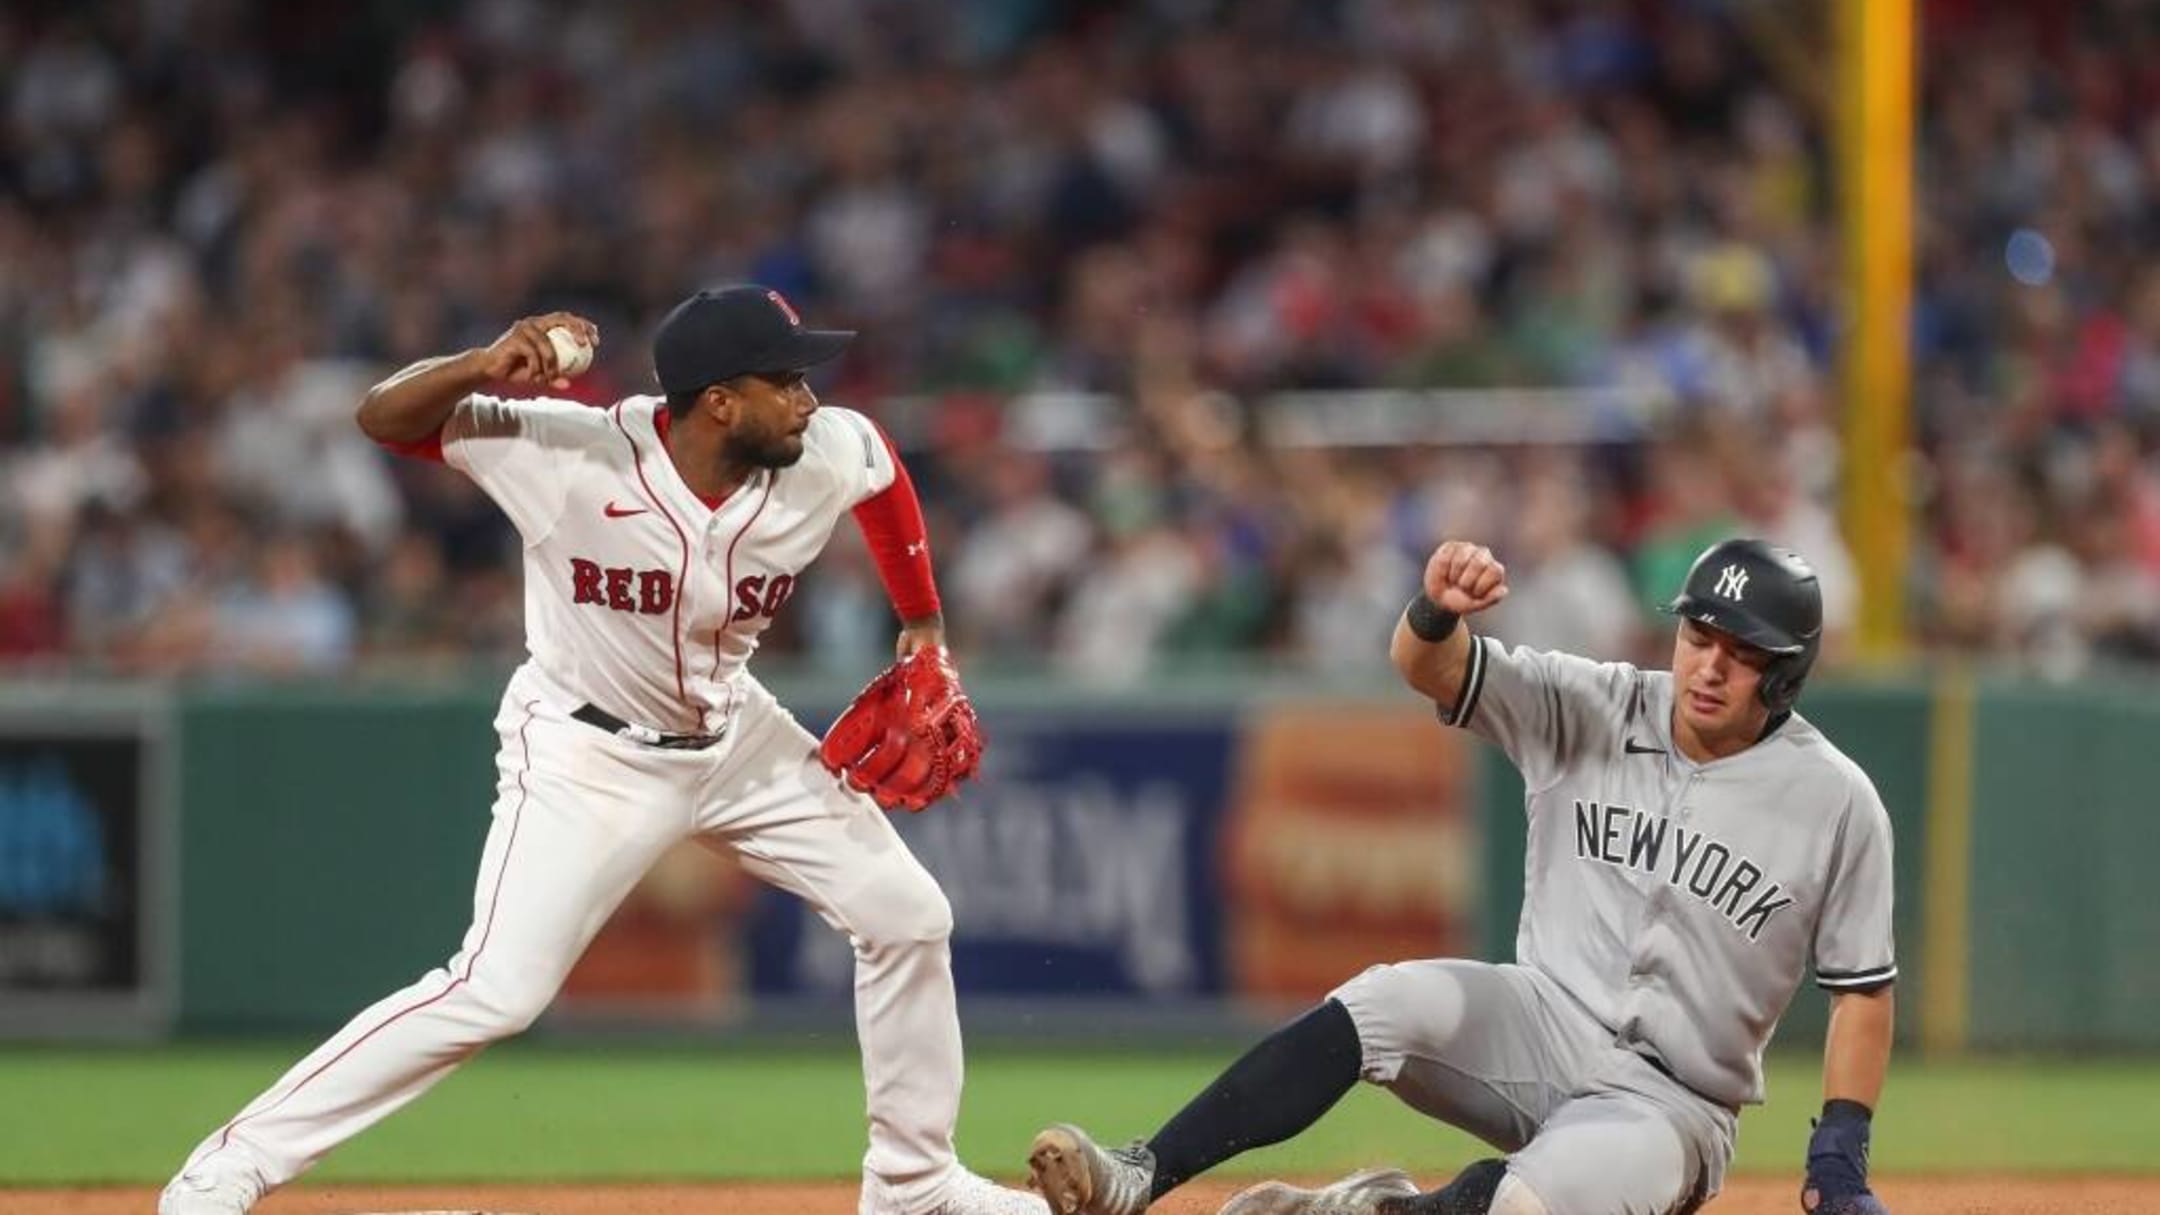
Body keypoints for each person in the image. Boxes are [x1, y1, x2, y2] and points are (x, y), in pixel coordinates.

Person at [158, 285, 1048, 1215]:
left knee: (909, 917)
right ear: (719, 401)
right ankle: (231, 1165)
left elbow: (884, 471)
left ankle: (913, 1185)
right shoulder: (567, 451)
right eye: (785, 380)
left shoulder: (821, 451)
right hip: (589, 752)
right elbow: (382, 418)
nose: (808, 400)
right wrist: (478, 364)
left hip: (735, 737)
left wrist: (922, 619)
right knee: (495, 989)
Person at [1026, 537, 1896, 1215]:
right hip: (1541, 1019)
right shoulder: (1594, 701)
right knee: (1384, 1001)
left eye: (1740, 653)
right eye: (1698, 635)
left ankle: (1381, 1209)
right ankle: (1139, 1173)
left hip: (1674, 1101)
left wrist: (1842, 1142)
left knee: (1528, 1202)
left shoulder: (1835, 799)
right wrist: (1436, 612)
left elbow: (1861, 989)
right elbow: (1427, 665)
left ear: (1783, 673)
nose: (1708, 665)